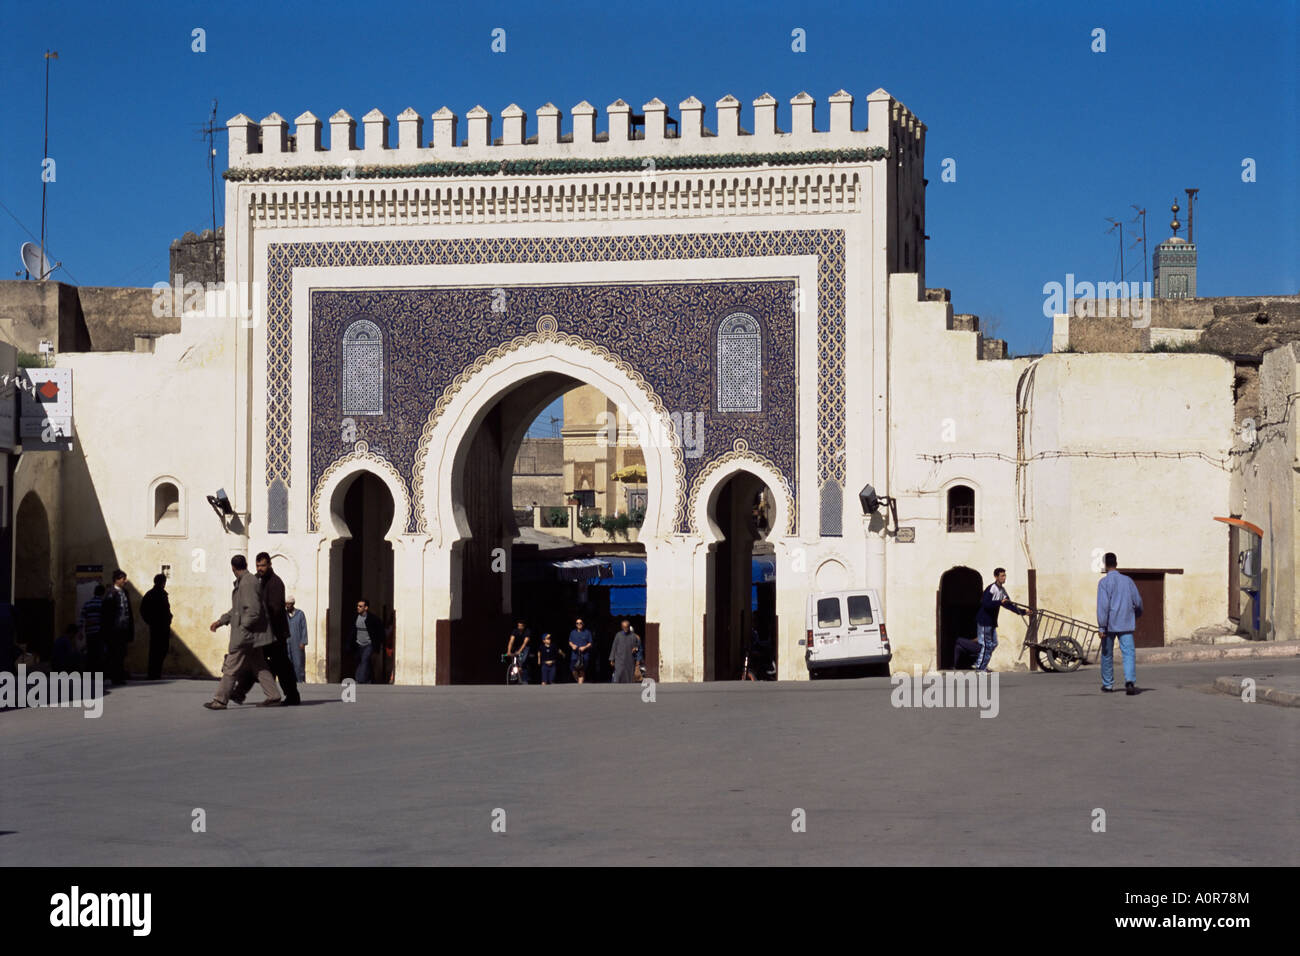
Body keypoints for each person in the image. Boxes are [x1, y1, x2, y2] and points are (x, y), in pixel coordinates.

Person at [204, 555, 281, 709]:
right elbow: (238, 609)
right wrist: (222, 621)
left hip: (247, 634)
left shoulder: (247, 583)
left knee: (231, 665)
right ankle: (274, 696)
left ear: (233, 568)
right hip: (252, 634)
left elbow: (253, 611)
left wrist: (243, 628)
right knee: (259, 665)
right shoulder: (247, 581)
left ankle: (220, 700)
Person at [231, 554, 300, 705]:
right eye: (257, 566)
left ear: (269, 564)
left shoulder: (275, 583)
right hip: (264, 632)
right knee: (258, 662)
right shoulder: (256, 580)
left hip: (275, 633)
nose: (260, 569)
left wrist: (260, 620)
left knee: (280, 665)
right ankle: (240, 692)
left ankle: (292, 696)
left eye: (262, 565)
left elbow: (275, 610)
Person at [1097, 552, 1143, 695]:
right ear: (1116, 563)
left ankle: (1108, 685)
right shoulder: (1128, 581)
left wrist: (1101, 626)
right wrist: (1136, 614)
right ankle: (1129, 681)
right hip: (1126, 623)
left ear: (1105, 565)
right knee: (1128, 653)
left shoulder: (1103, 583)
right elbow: (1138, 602)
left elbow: (1103, 607)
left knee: (1107, 654)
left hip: (1109, 625)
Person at [974, 567, 1026, 672]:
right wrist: (999, 602)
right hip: (984, 621)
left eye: (1005, 575)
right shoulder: (991, 589)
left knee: (993, 644)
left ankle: (982, 664)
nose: (1004, 578)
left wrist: (1023, 612)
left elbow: (1009, 605)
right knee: (986, 644)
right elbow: (985, 604)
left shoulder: (1002, 590)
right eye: (1002, 576)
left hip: (991, 622)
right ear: (996, 577)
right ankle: (980, 667)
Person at [99, 570, 134, 685]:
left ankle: (118, 676)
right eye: (123, 578)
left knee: (121, 653)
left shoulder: (125, 592)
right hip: (114, 630)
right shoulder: (110, 594)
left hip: (123, 630)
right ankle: (112, 676)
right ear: (117, 579)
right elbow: (105, 614)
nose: (125, 581)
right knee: (113, 654)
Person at [139, 573, 173, 680]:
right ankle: (154, 673)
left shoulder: (154, 594)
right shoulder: (154, 594)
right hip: (158, 627)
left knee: (159, 649)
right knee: (157, 650)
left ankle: (155, 673)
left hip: (160, 626)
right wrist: (152, 621)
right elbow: (143, 610)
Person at [352, 599, 385, 684]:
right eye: (357, 606)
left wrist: (379, 643)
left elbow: (380, 631)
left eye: (360, 606)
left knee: (365, 660)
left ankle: (359, 679)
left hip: (369, 644)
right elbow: (352, 632)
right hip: (359, 644)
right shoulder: (355, 617)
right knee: (363, 661)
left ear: (366, 608)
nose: (358, 608)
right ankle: (370, 679)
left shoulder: (373, 619)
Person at [80, 585, 106, 674]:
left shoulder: (87, 604)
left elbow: (82, 618)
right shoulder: (103, 604)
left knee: (90, 653)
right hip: (100, 632)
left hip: (89, 632)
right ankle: (98, 673)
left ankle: (89, 673)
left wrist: (80, 631)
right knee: (99, 653)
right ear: (103, 593)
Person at [609, 619, 641, 684]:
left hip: (630, 659)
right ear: (621, 627)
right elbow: (614, 647)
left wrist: (635, 649)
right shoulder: (618, 635)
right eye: (624, 627)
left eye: (627, 627)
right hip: (619, 660)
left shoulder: (634, 636)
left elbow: (638, 647)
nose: (625, 629)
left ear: (629, 627)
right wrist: (612, 659)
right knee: (618, 675)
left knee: (629, 677)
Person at [286, 596, 308, 683]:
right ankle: (289, 682)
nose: (287, 606)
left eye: (289, 604)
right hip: (287, 642)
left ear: (293, 604)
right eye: (286, 604)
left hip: (297, 642)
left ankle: (300, 680)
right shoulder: (284, 615)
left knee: (298, 663)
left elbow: (304, 628)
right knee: (288, 663)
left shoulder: (300, 614)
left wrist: (303, 642)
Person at [506, 620, 532, 685]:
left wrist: (519, 651)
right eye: (518, 626)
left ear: (523, 626)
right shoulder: (515, 631)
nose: (519, 627)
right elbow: (511, 641)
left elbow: (525, 643)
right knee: (514, 660)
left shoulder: (527, 631)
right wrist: (508, 651)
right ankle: (514, 677)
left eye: (520, 626)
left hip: (525, 647)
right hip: (517, 646)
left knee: (522, 660)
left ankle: (525, 679)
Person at [568, 617, 593, 684]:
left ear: (583, 624)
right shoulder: (572, 632)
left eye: (580, 623)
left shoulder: (587, 632)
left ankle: (580, 685)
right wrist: (572, 646)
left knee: (581, 671)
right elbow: (570, 641)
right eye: (577, 623)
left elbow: (590, 643)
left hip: (584, 656)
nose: (579, 624)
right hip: (574, 655)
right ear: (576, 624)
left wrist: (584, 647)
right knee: (573, 670)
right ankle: (578, 680)